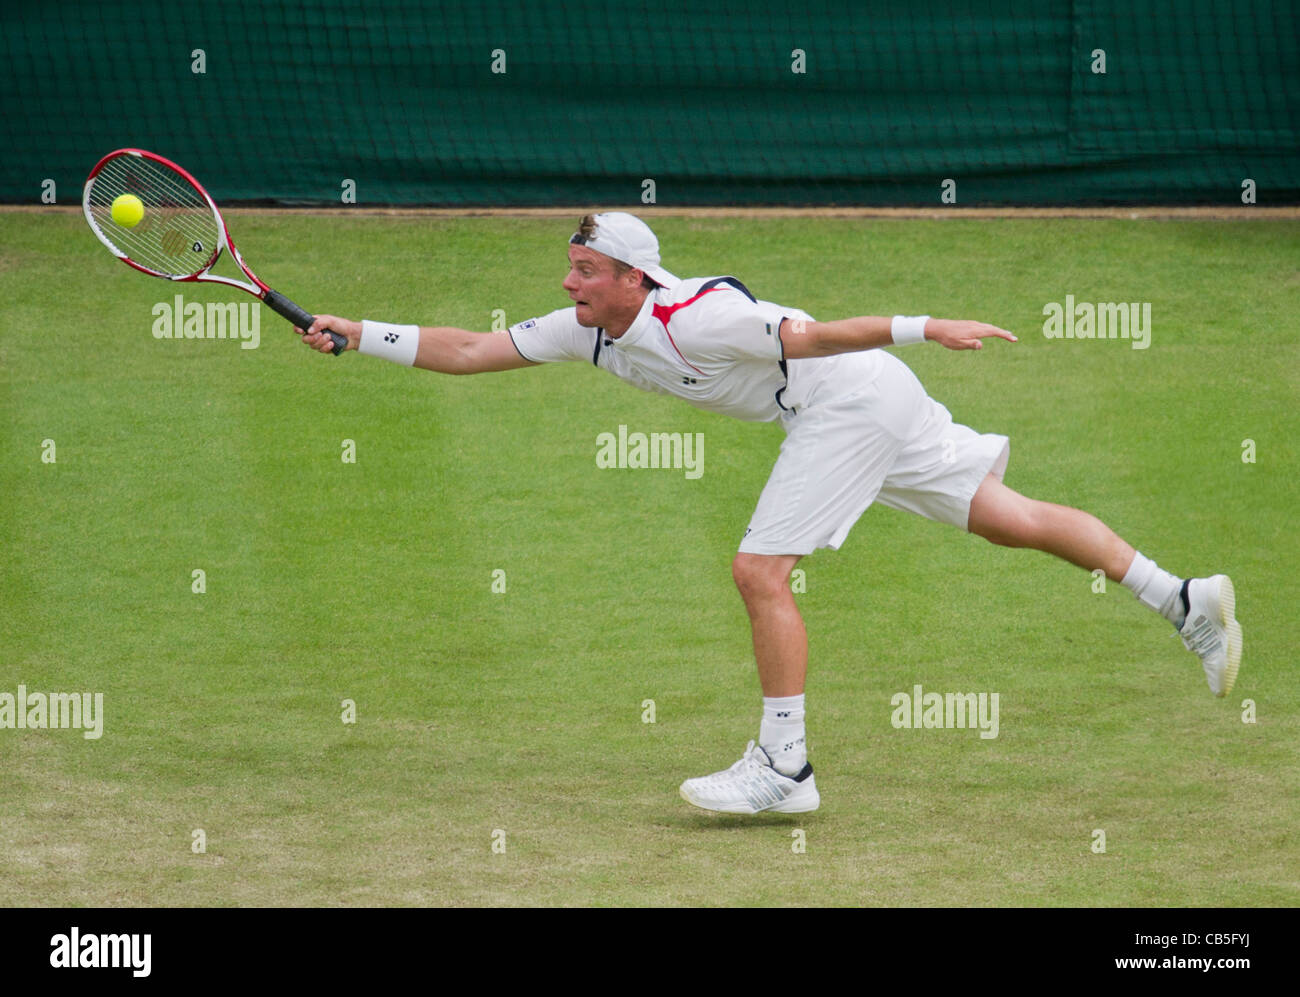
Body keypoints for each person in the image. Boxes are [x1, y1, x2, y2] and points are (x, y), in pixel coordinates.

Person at [296, 212, 1243, 815]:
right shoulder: (586, 330)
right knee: (1010, 516)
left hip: (849, 397)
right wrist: (360, 330)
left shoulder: (693, 317)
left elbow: (814, 334)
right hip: (871, 396)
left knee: (759, 571)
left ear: (633, 278)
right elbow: (468, 350)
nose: (568, 283)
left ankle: (784, 769)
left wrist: (930, 323)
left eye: (585, 269)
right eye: (569, 267)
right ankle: (1185, 598)